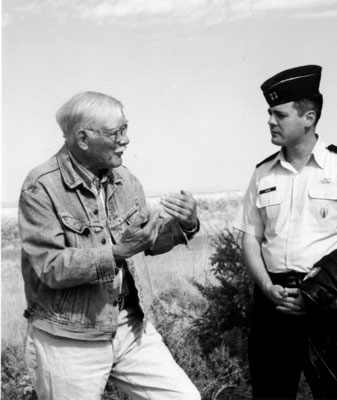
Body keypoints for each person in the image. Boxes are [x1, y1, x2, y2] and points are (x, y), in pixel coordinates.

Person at [18, 91, 202, 400]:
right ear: (83, 138)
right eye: (117, 132)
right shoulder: (41, 187)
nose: (126, 140)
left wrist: (186, 224)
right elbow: (51, 268)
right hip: (69, 340)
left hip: (130, 328)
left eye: (125, 128)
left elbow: (147, 242)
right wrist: (117, 252)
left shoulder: (125, 180)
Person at [235, 65, 337, 400]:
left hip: (327, 300)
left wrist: (315, 292)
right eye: (269, 114)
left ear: (309, 118)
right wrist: (268, 287)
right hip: (274, 302)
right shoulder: (262, 174)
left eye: (279, 114)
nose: (270, 121)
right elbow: (249, 239)